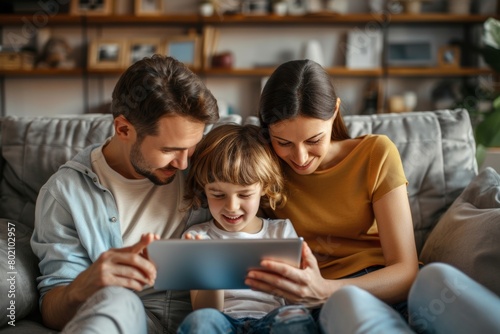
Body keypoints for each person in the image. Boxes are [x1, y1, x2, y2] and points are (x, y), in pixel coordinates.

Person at [30, 55, 219, 334]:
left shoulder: (211, 166)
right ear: (123, 129)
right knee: (117, 298)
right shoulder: (65, 194)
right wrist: (89, 282)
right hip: (124, 316)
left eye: (191, 147)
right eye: (169, 150)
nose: (184, 164)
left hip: (204, 321)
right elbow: (53, 313)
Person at [245, 59, 419, 322]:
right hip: (311, 303)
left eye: (313, 140)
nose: (300, 157)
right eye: (284, 142)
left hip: (378, 285)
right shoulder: (261, 167)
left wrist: (326, 291)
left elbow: (406, 271)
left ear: (335, 111)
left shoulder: (375, 153)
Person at [176, 123, 319, 334]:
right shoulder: (198, 237)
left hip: (270, 321)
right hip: (224, 322)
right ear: (203, 189)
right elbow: (204, 311)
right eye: (217, 194)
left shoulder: (280, 232)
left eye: (244, 195)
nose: (231, 206)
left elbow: (295, 300)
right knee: (201, 321)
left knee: (297, 318)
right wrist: (214, 273)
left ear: (264, 188)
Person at [320, 262, 500, 333]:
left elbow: (406, 269)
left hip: (398, 284)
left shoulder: (372, 177)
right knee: (347, 300)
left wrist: (325, 289)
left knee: (435, 275)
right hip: (328, 296)